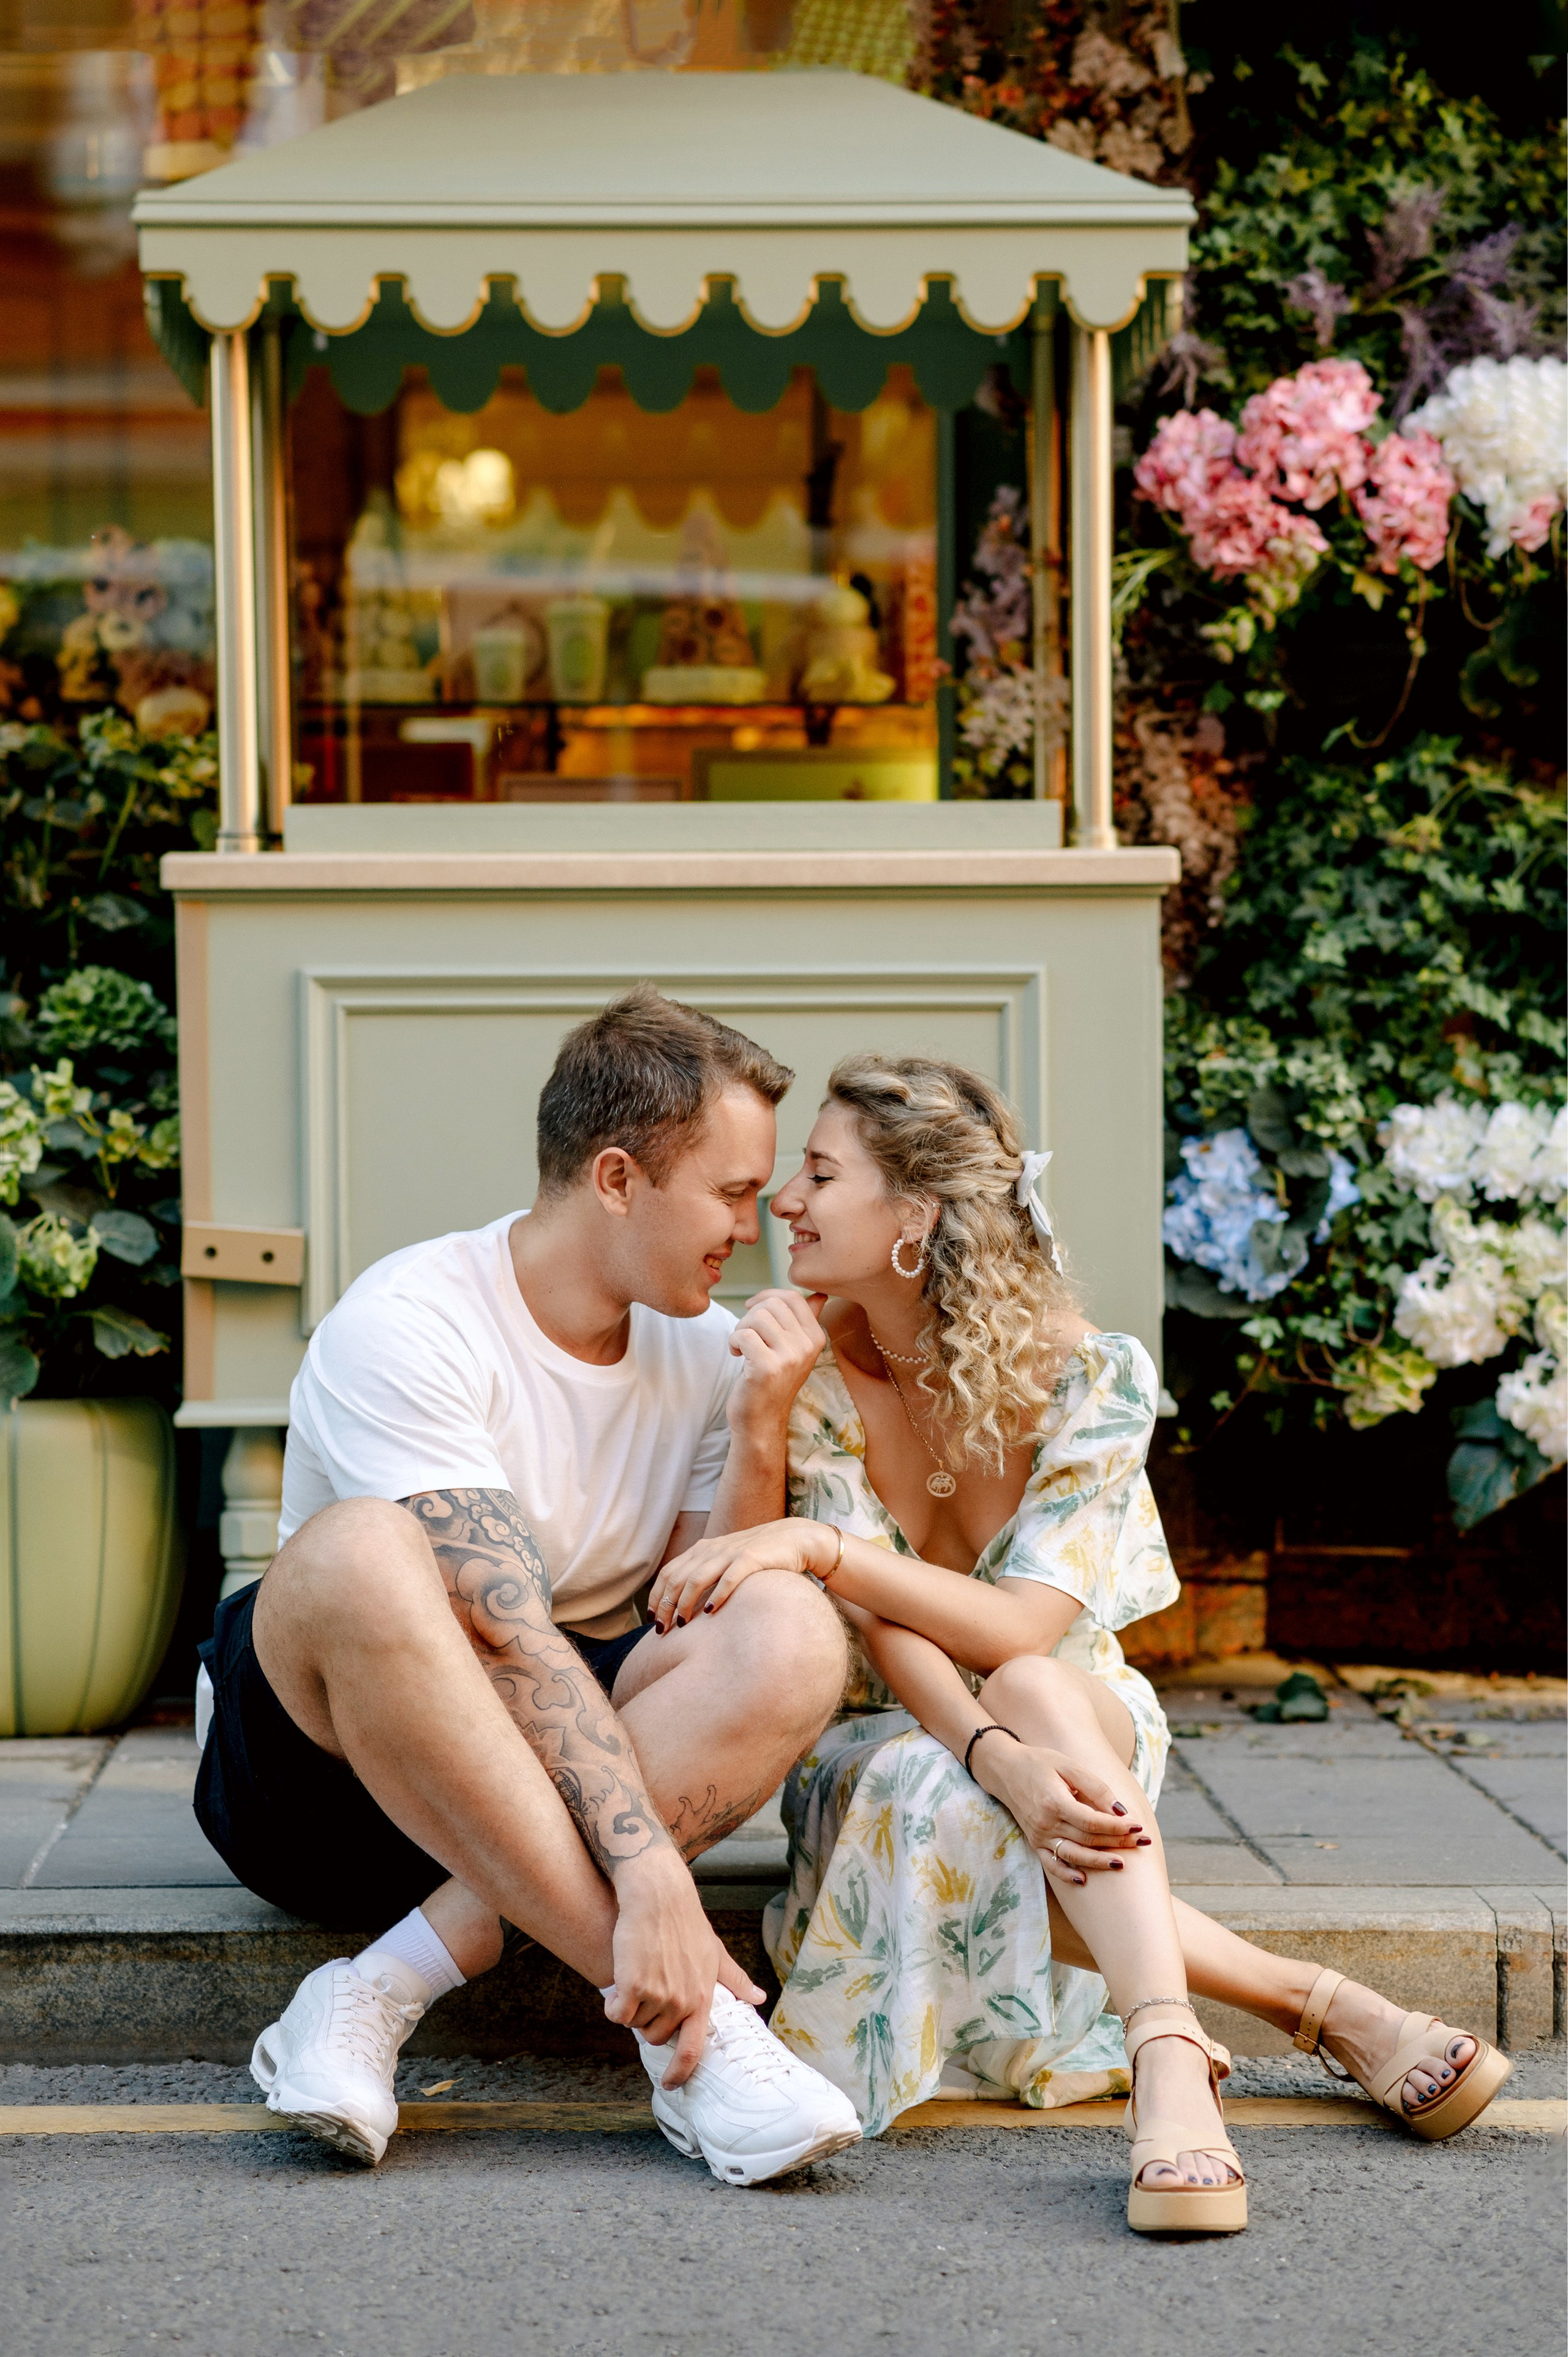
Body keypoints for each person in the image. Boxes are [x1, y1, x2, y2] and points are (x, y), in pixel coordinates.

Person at [646, 1053, 1511, 2236]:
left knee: (1038, 1684)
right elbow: (873, 1631)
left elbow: (1019, 1628)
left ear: (917, 1214)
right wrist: (761, 1416)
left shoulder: (1091, 1378)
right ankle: (1305, 2010)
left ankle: (1166, 2054)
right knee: (947, 1784)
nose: (783, 1204)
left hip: (1073, 1714)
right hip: (886, 1735)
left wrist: (824, 1546)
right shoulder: (808, 1376)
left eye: (818, 1173)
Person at [193, 986, 861, 2185]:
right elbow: (500, 1636)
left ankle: (379, 1984)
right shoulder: (411, 1319)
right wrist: (653, 1875)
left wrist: (760, 1417)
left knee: (792, 1629)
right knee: (360, 1549)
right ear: (615, 1178)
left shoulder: (709, 1352)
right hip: (332, 1778)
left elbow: (699, 1609)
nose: (751, 1231)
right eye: (728, 1193)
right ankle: (699, 2038)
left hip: (559, 1757)